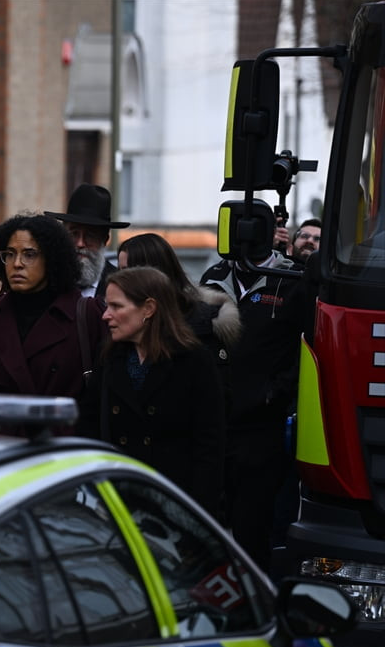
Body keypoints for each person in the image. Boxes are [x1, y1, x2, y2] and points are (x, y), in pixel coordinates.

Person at [78, 267, 224, 515]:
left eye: (116, 306)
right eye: (107, 305)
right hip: (117, 502)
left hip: (174, 503)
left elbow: (209, 447)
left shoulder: (194, 361)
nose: (105, 315)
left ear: (148, 308)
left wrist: (196, 514)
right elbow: (89, 426)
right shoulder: (110, 356)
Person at [199, 235, 306, 567]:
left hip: (263, 423)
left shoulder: (291, 280)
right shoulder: (214, 277)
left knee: (252, 526)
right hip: (216, 419)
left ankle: (256, 589)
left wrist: (277, 391)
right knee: (208, 525)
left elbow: (306, 345)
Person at [0, 213, 107, 406]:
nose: (17, 264)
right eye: (10, 254)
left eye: (29, 254)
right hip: (3, 424)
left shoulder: (86, 314)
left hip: (66, 424)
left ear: (51, 258)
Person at [116, 233, 241, 411]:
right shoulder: (121, 325)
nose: (120, 282)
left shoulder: (201, 326)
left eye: (127, 273)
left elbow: (215, 403)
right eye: (119, 272)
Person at [44, 183, 129, 298]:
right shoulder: (47, 282)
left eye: (90, 236)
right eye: (74, 234)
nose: (80, 243)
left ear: (105, 240)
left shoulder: (122, 287)